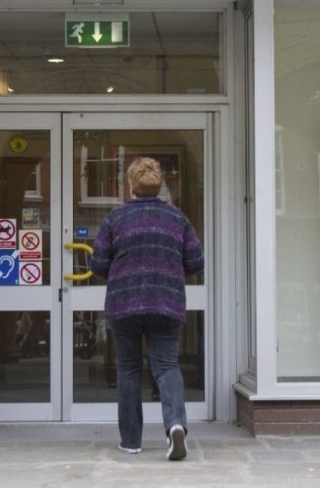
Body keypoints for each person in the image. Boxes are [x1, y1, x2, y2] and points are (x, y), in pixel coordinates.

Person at [90, 157, 204, 461]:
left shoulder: (115, 219)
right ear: (159, 185)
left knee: (128, 369)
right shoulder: (177, 218)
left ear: (130, 185)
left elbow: (98, 264)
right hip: (166, 302)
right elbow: (196, 262)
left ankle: (130, 441)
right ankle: (176, 426)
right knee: (167, 366)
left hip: (124, 304)